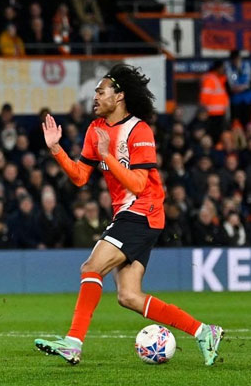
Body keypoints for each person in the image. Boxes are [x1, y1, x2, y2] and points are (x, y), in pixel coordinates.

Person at [34, 64, 224, 366]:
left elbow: (138, 183)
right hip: (128, 214)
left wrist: (108, 155)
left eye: (101, 91)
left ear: (119, 95)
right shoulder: (95, 129)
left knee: (91, 266)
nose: (95, 97)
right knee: (129, 296)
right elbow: (81, 176)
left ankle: (73, 342)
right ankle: (203, 331)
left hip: (144, 210)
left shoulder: (139, 130)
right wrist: (56, 149)